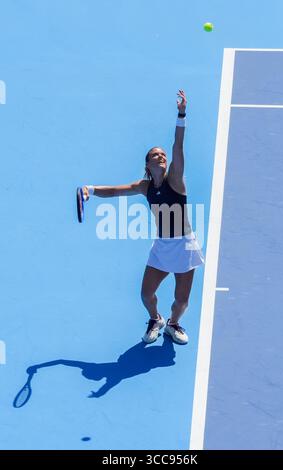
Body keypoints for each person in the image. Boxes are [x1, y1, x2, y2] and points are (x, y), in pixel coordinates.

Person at [82, 90, 204, 345]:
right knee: (146, 294)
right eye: (154, 155)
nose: (161, 156)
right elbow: (115, 191)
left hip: (184, 246)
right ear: (147, 165)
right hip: (162, 247)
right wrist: (90, 190)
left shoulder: (175, 179)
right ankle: (156, 319)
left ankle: (173, 324)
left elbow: (177, 145)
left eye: (162, 155)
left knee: (181, 300)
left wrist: (181, 114)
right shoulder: (145, 186)